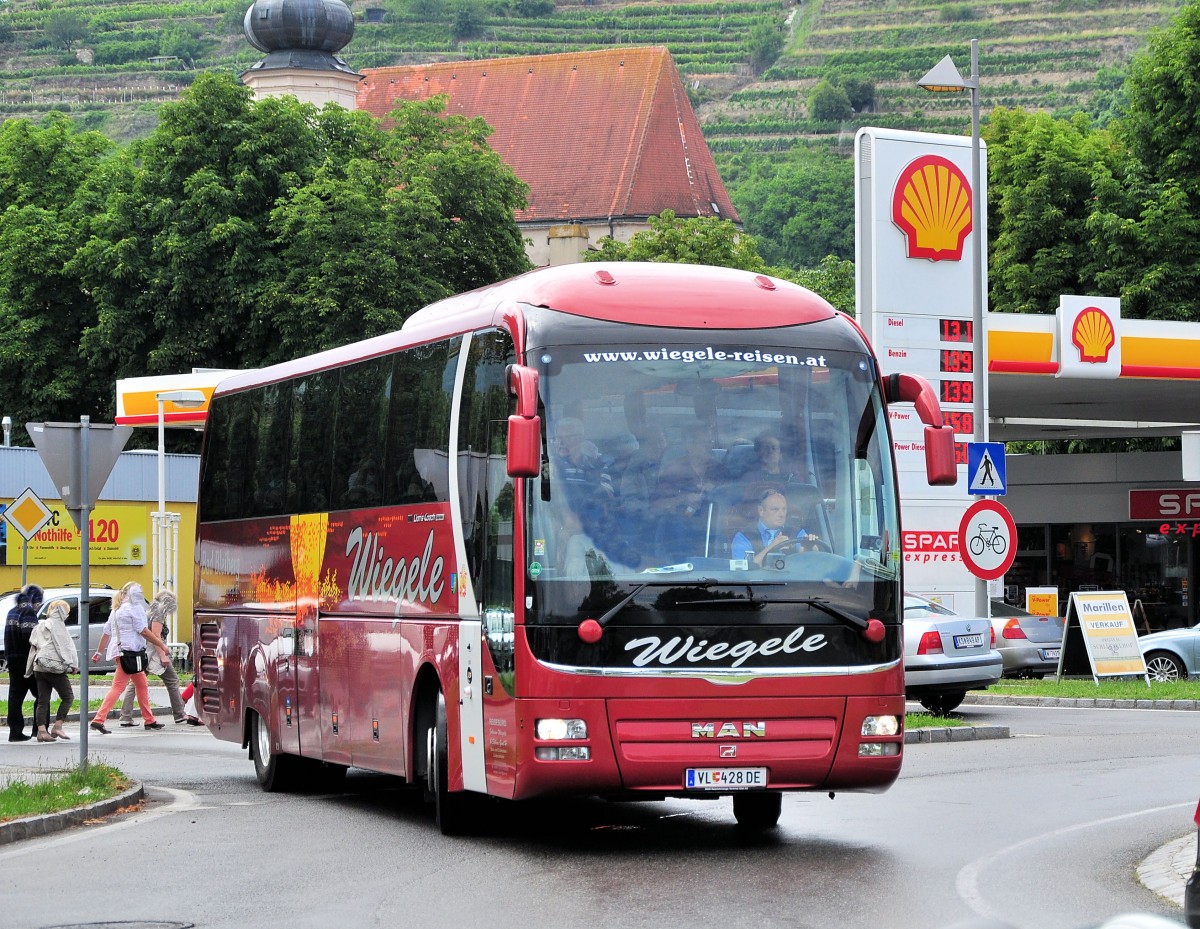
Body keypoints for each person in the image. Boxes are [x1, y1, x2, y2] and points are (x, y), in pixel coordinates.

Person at [88, 582, 172, 734]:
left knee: (141, 684)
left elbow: (106, 632)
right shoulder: (134, 608)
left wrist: (99, 652)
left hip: (122, 652)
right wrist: (163, 646)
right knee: (118, 687)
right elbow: (144, 631)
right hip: (131, 653)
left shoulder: (117, 609)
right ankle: (98, 719)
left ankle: (149, 719)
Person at [117, 589, 187, 727]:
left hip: (144, 652)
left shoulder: (151, 609)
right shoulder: (159, 612)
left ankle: (125, 716)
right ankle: (179, 714)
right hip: (153, 653)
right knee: (172, 680)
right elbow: (156, 635)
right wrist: (163, 656)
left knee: (135, 683)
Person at [27, 599, 77, 742]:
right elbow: (65, 647)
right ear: (62, 611)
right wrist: (72, 664)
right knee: (68, 697)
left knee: (43, 700)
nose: (67, 614)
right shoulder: (58, 626)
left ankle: (42, 731)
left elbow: (33, 644)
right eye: (67, 611)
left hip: (39, 666)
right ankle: (58, 726)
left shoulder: (40, 625)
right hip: (54, 667)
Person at [731, 488, 816, 568]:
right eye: (775, 509)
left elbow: (809, 561)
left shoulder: (797, 532)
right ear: (761, 511)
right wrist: (772, 547)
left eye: (784, 509)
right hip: (757, 583)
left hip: (791, 582)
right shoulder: (743, 537)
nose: (781, 514)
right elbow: (742, 570)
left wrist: (810, 547)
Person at [5, 584, 42, 742]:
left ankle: (15, 732)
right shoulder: (29, 612)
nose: (39, 605)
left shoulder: (11, 612)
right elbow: (31, 638)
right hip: (27, 661)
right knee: (41, 695)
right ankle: (39, 729)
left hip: (12, 660)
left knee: (15, 697)